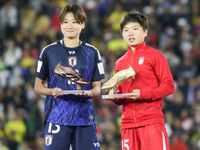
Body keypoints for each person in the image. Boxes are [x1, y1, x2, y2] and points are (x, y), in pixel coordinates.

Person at [34, 4, 105, 150]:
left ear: (83, 24)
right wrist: (52, 91)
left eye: (74, 21)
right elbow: (38, 86)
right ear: (60, 24)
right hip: (57, 117)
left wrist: (92, 92)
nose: (69, 26)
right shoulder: (48, 51)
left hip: (84, 117)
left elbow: (97, 87)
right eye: (65, 22)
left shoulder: (92, 52)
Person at [107, 10, 175, 150]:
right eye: (126, 30)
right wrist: (113, 96)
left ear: (145, 32)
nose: (130, 33)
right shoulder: (120, 62)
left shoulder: (155, 56)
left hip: (151, 123)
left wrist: (143, 94)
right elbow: (122, 95)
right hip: (128, 125)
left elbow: (169, 86)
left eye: (135, 29)